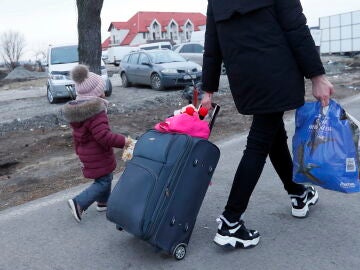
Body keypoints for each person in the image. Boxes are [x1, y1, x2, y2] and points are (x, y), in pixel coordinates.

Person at [201, 0, 334, 248]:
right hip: (277, 73)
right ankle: (230, 221)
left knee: (273, 135)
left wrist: (208, 90)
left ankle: (298, 194)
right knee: (259, 141)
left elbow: (212, 43)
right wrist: (317, 75)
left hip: (245, 79)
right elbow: (295, 28)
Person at [61, 64, 131, 222]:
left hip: (87, 153)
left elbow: (78, 135)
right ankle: (79, 202)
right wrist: (124, 141)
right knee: (104, 180)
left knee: (104, 177)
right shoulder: (96, 112)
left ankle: (103, 202)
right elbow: (104, 136)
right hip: (98, 153)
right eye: (101, 90)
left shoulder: (79, 111)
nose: (104, 92)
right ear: (96, 93)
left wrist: (79, 152)